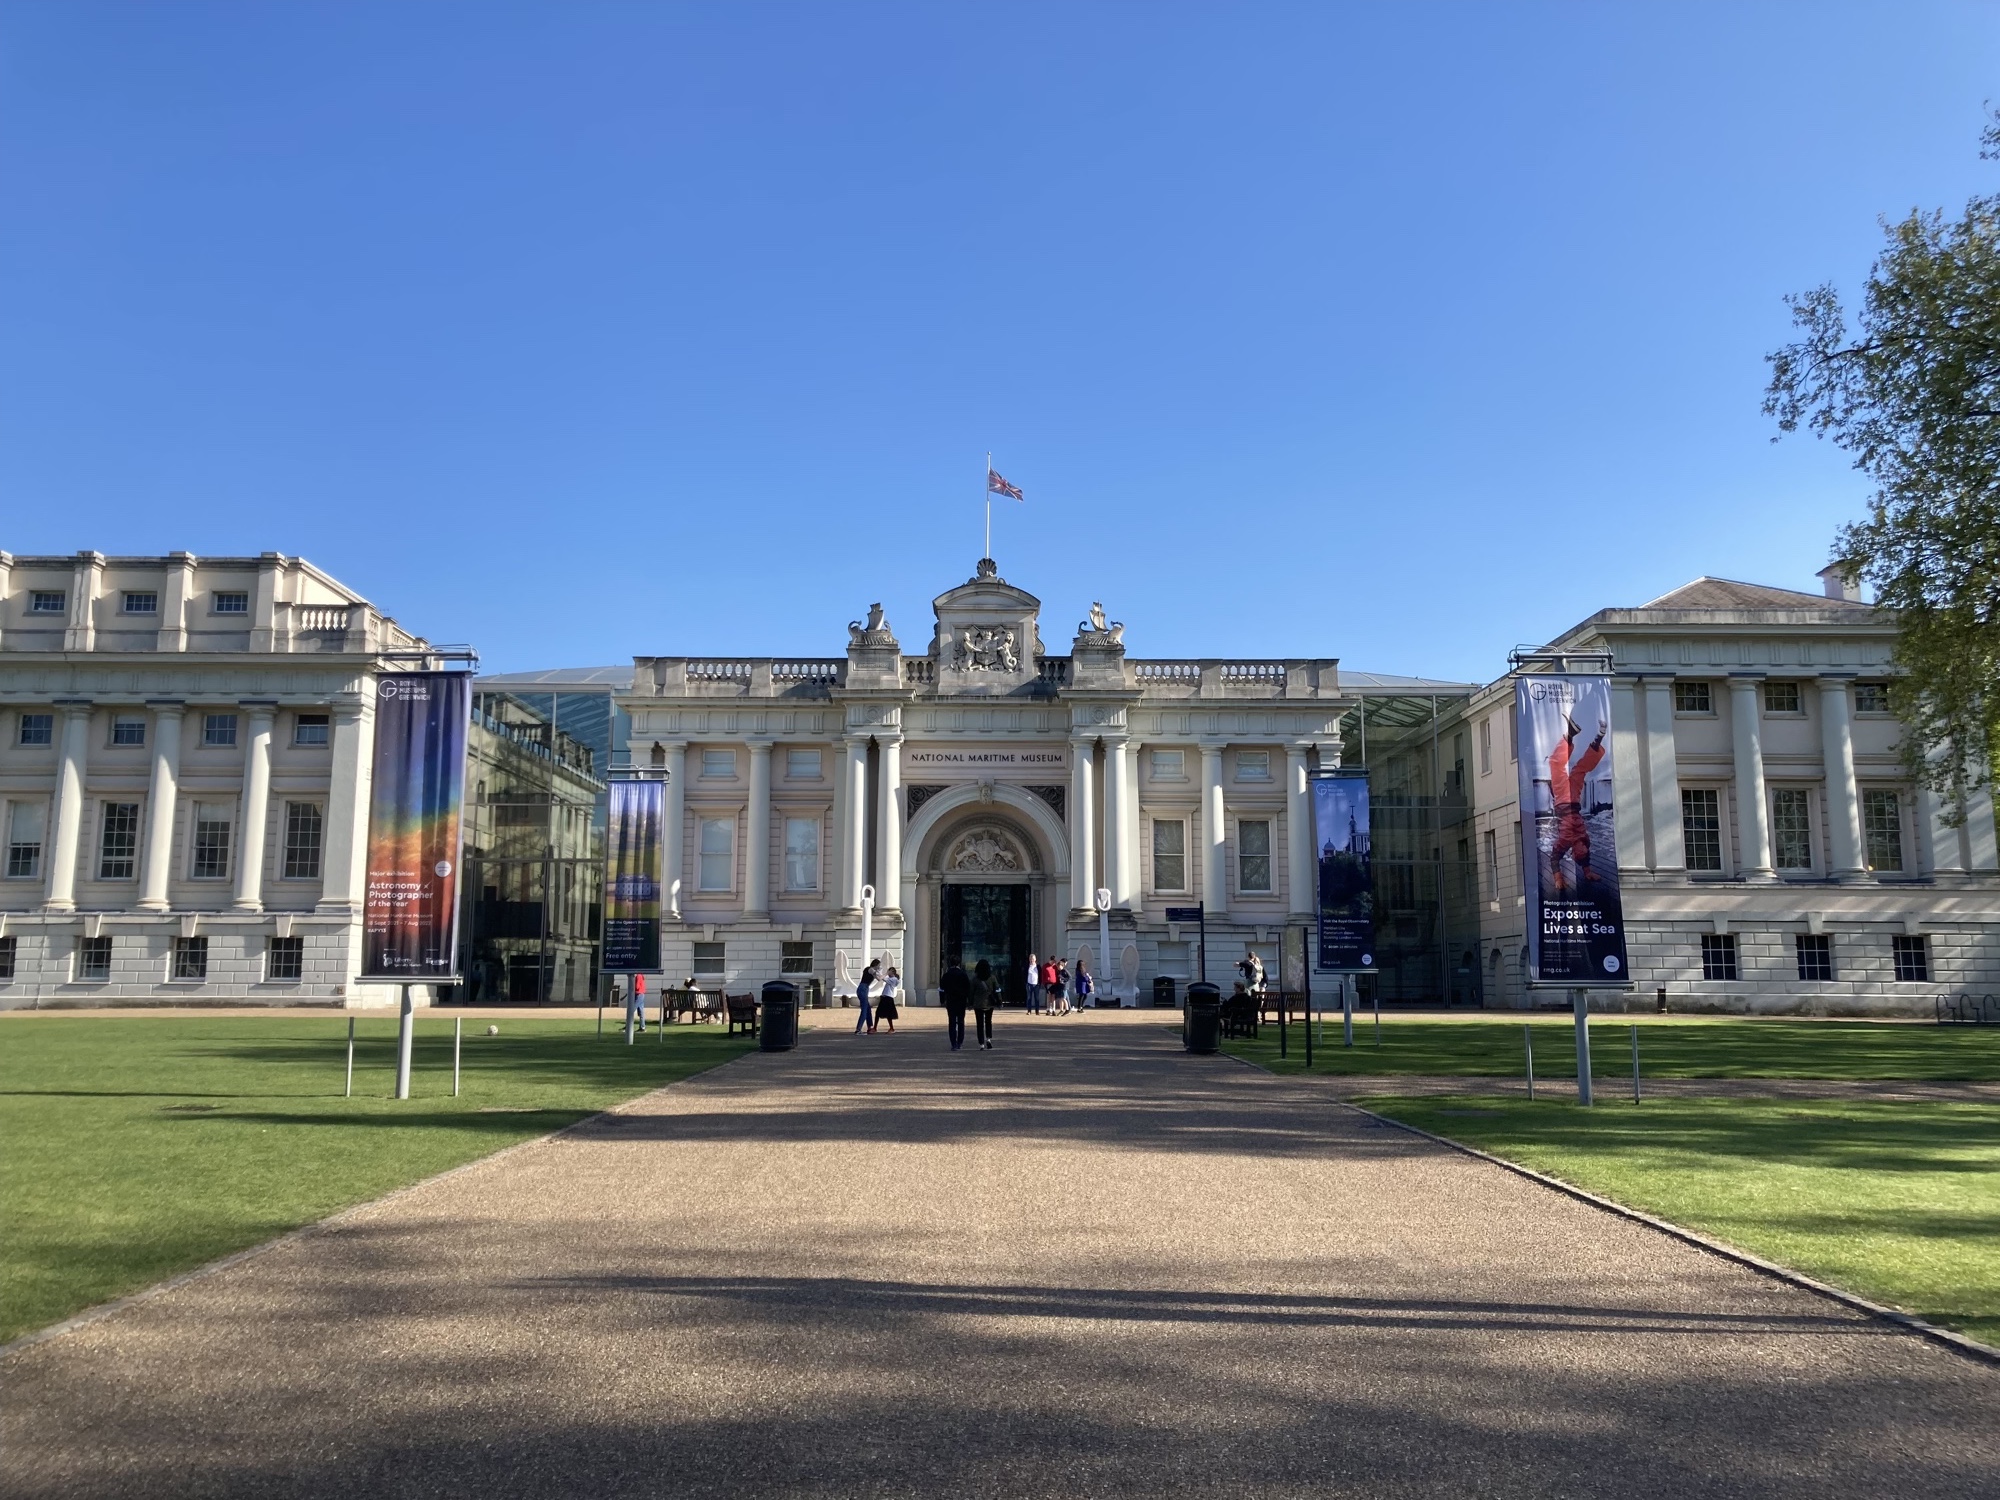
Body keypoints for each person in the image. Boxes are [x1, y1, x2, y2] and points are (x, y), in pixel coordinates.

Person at [1548, 714, 1606, 893]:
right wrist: (1587, 872)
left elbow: (1554, 858)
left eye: (1577, 852)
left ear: (1573, 852)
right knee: (1576, 769)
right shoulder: (1583, 839)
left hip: (1566, 803)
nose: (1581, 849)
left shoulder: (1568, 840)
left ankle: (1576, 735)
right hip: (1569, 801)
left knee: (1559, 765)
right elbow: (1562, 856)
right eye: (1583, 850)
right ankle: (1596, 737)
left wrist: (1558, 878)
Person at [940, 956, 970, 1050]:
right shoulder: (963, 974)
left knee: (952, 1022)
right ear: (959, 964)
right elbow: (968, 988)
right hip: (961, 1000)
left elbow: (941, 989)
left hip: (951, 1000)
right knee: (961, 1022)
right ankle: (960, 1042)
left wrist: (942, 1000)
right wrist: (969, 1001)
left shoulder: (946, 975)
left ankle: (953, 1043)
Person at [971, 959, 998, 1049]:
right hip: (989, 1003)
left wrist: (970, 1003)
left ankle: (981, 1043)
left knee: (980, 1024)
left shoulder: (975, 979)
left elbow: (971, 992)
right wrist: (999, 1001)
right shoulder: (992, 978)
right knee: (988, 1022)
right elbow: (997, 990)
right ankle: (988, 1039)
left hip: (978, 1004)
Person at [877, 966, 901, 1033]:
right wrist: (879, 971)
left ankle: (891, 1028)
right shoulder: (891, 978)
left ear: (892, 972)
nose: (888, 972)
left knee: (889, 1014)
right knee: (878, 1013)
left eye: (889, 971)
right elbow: (881, 977)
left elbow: (883, 978)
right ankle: (875, 1027)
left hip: (888, 997)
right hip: (885, 996)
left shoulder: (894, 979)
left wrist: (885, 973)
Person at [855, 961, 877, 1035]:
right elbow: (879, 978)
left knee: (868, 1008)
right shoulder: (870, 969)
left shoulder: (871, 970)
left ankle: (870, 1027)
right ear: (875, 965)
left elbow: (878, 976)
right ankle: (858, 1029)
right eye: (879, 965)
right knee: (864, 1010)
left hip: (864, 989)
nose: (879, 967)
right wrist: (886, 974)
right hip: (863, 989)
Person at [1025, 950, 1042, 1014]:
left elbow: (1040, 975)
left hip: (1036, 984)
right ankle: (1029, 1011)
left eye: (1033, 959)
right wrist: (1025, 982)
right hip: (1029, 984)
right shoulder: (1027, 966)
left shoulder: (1038, 966)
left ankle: (1037, 1011)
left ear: (1035, 959)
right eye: (1030, 959)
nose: (1031, 960)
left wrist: (1040, 983)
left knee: (1036, 998)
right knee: (1029, 998)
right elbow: (1024, 974)